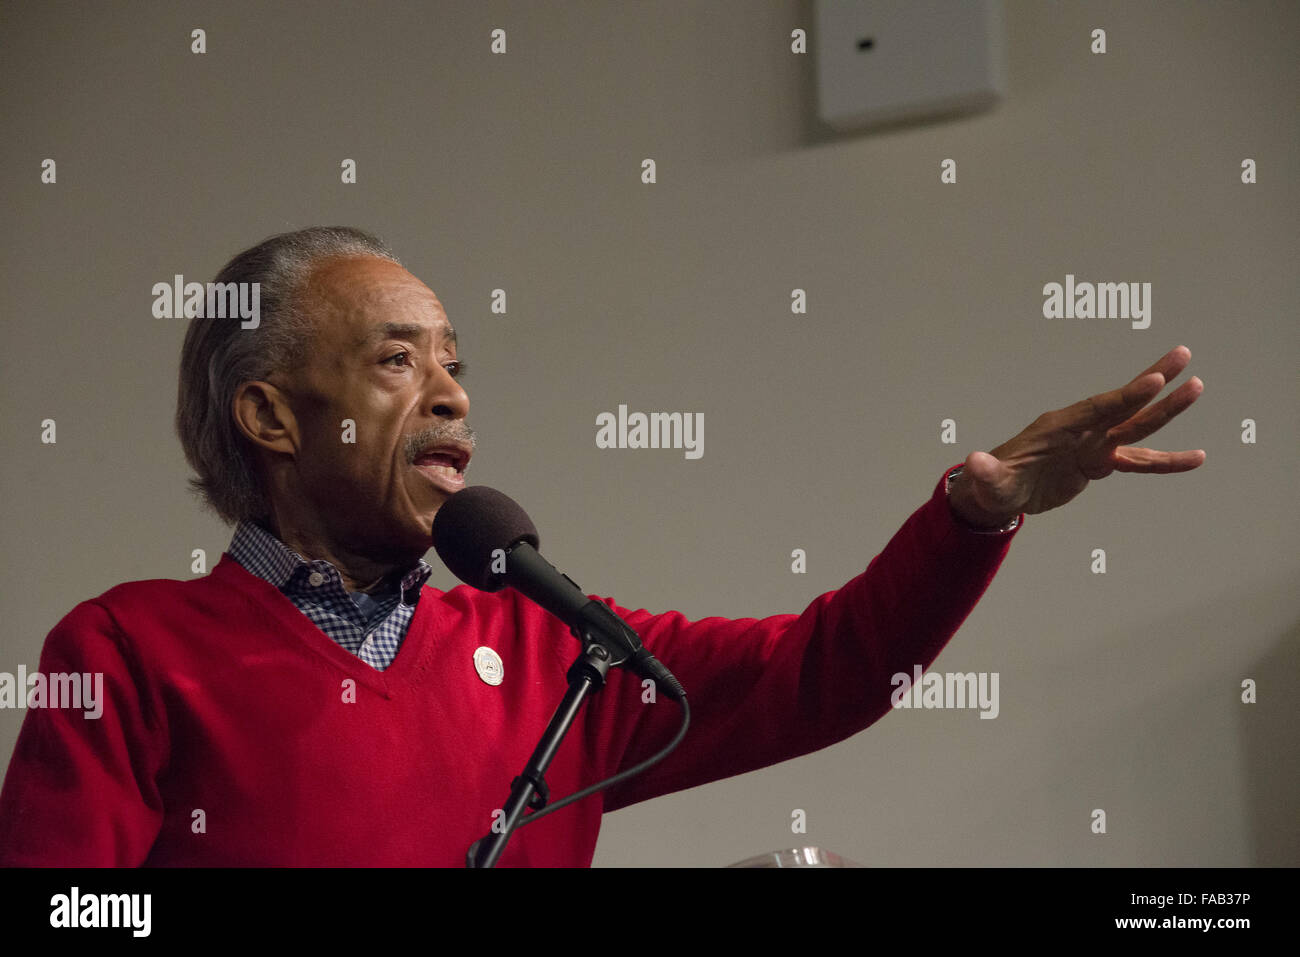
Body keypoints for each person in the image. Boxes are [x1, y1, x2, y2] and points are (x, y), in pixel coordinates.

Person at [0, 227, 1205, 866]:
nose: (454, 396)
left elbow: (824, 670)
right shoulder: (129, 648)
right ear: (269, 415)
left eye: (458, 363)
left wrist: (974, 512)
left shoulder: (549, 648)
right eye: (396, 358)